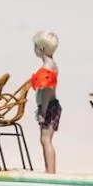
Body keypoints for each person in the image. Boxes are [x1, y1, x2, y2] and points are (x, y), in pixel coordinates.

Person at [31, 30, 61, 174]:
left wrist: (43, 110)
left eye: (35, 46)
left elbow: (47, 91)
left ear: (41, 48)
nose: (34, 49)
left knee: (45, 140)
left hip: (49, 106)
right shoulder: (52, 64)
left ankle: (51, 172)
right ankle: (49, 170)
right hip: (52, 105)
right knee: (45, 139)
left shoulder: (47, 67)